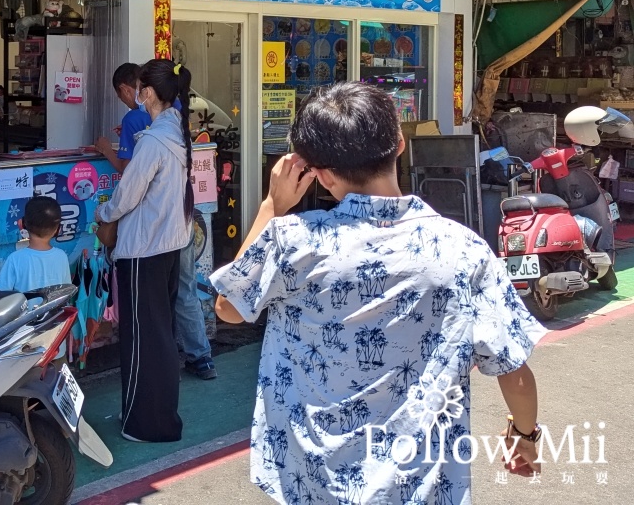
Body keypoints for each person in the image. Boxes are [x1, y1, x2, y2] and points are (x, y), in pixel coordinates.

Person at [211, 81, 544, 504]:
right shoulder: (464, 250)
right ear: (400, 144)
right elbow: (512, 367)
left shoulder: (294, 240)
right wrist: (524, 434)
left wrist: (272, 207)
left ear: (321, 173)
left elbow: (230, 308)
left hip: (311, 482)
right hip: (420, 485)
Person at [95, 63, 217, 380]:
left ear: (138, 90)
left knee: (152, 313)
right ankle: (200, 356)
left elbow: (129, 179)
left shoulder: (144, 127)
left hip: (153, 236)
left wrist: (104, 213)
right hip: (183, 222)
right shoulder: (177, 117)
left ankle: (157, 374)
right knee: (184, 291)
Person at [95, 59, 193, 442]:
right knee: (160, 335)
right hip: (168, 244)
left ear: (147, 92)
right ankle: (160, 417)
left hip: (144, 250)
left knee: (141, 340)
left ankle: (145, 424)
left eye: (139, 87)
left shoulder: (154, 140)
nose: (136, 93)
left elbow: (126, 194)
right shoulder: (174, 132)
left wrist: (104, 213)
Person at [0, 196, 71, 293]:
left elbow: (0, 293)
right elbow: (66, 291)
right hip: (54, 309)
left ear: (22, 224)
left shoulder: (15, 259)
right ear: (58, 229)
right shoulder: (61, 256)